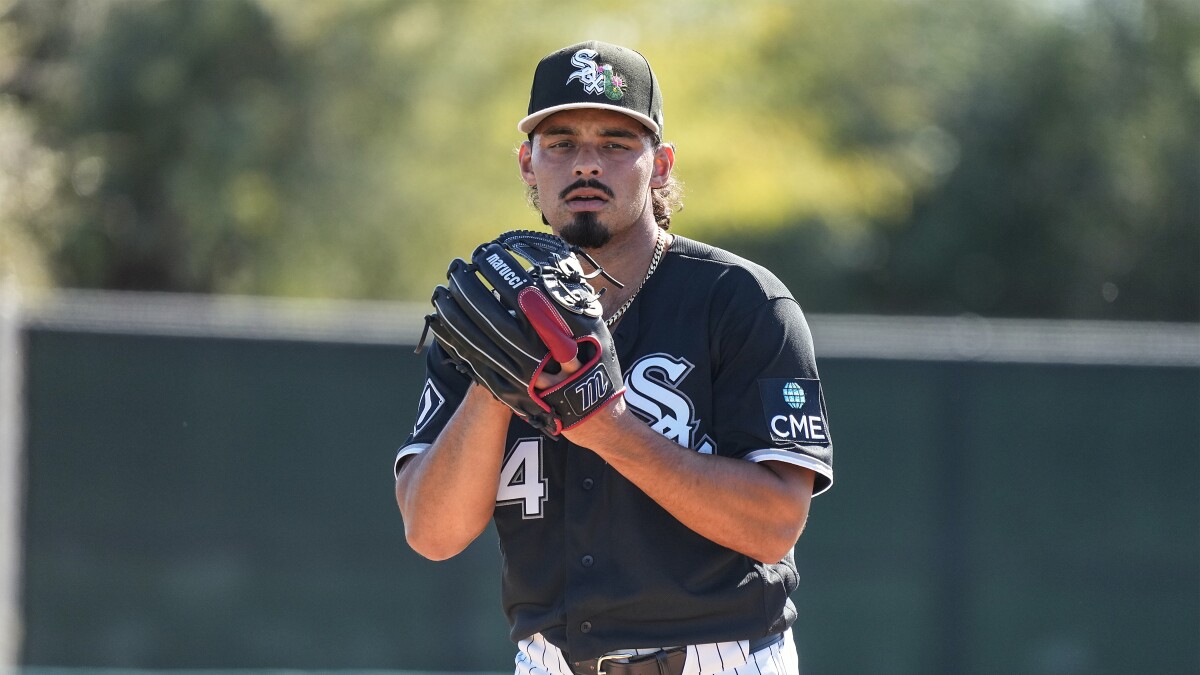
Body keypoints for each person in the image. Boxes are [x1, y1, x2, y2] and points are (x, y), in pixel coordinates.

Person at [394, 41, 834, 675]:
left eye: (616, 143)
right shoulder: (486, 314)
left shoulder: (739, 301)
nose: (587, 164)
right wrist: (499, 378)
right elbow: (432, 533)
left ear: (660, 165)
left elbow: (774, 526)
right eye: (561, 143)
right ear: (528, 164)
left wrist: (606, 428)